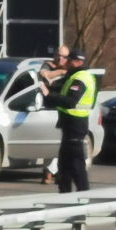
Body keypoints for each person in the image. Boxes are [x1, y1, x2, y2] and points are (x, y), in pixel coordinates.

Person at [39, 48, 96, 193]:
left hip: (76, 125)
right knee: (64, 166)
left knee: (76, 165)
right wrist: (47, 88)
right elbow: (58, 89)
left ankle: (84, 194)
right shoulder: (73, 76)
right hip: (69, 125)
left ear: (78, 62)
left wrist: (49, 95)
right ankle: (64, 195)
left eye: (69, 60)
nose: (66, 62)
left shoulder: (81, 78)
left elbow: (70, 101)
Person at [37, 45, 70, 185]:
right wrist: (61, 71)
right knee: (53, 141)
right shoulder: (48, 65)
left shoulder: (71, 68)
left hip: (65, 108)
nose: (60, 58)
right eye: (58, 55)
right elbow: (44, 74)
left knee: (63, 143)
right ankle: (49, 172)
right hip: (50, 108)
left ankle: (54, 172)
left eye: (64, 56)